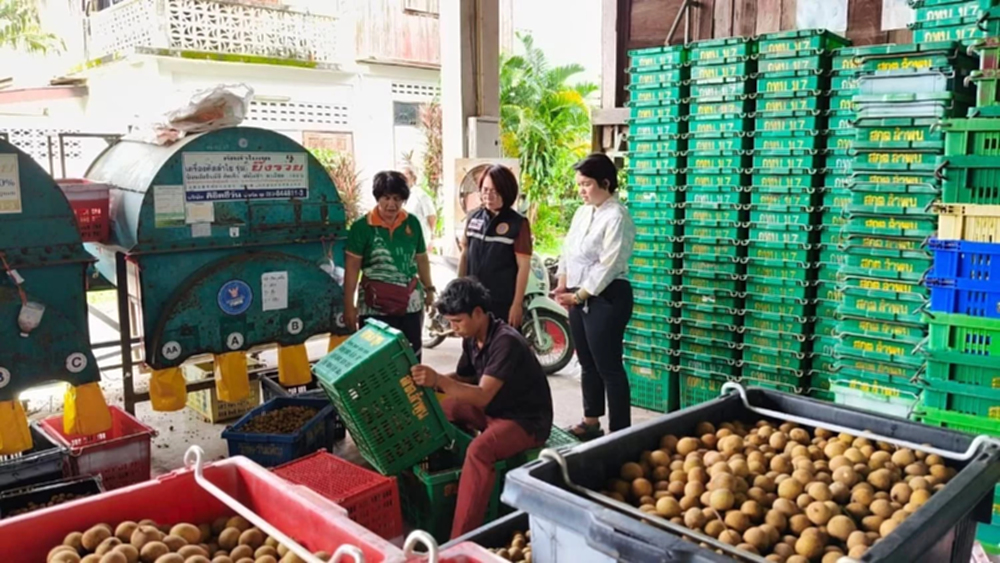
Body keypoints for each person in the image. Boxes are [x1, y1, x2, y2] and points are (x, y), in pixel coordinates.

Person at [411, 278, 553, 538]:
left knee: (479, 452)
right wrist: (427, 385)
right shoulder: (472, 337)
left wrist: (439, 380)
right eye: (450, 322)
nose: (453, 328)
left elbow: (482, 396)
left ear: (478, 312)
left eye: (457, 321)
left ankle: (461, 538)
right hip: (495, 411)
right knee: (442, 408)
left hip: (525, 421)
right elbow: (464, 378)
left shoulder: (506, 342)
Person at [554, 153, 636, 440]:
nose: (581, 191)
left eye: (587, 184)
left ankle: (620, 432)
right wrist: (562, 284)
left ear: (606, 183)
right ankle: (591, 421)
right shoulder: (582, 213)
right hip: (577, 295)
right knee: (586, 362)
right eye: (579, 184)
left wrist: (579, 296)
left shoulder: (617, 216)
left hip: (607, 297)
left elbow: (609, 264)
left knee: (608, 366)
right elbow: (568, 250)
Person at [344, 170, 435, 360]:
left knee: (410, 357)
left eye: (397, 199)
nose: (392, 204)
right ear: (378, 197)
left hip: (410, 305)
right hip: (373, 306)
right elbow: (352, 268)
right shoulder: (361, 227)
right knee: (376, 360)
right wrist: (349, 305)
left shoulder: (413, 223)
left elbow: (421, 259)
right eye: (386, 198)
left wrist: (429, 289)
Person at [458, 164, 532, 327]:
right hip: (472, 301)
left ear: (507, 192)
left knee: (502, 342)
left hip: (502, 302)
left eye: (495, 191)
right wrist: (458, 289)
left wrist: (517, 304)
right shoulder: (473, 217)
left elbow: (524, 266)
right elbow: (465, 254)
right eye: (485, 190)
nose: (489, 196)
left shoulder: (518, 223)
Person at [404, 167, 438, 253]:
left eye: (406, 175)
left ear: (413, 178)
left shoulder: (421, 195)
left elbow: (431, 216)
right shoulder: (402, 197)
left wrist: (431, 238)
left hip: (421, 242)